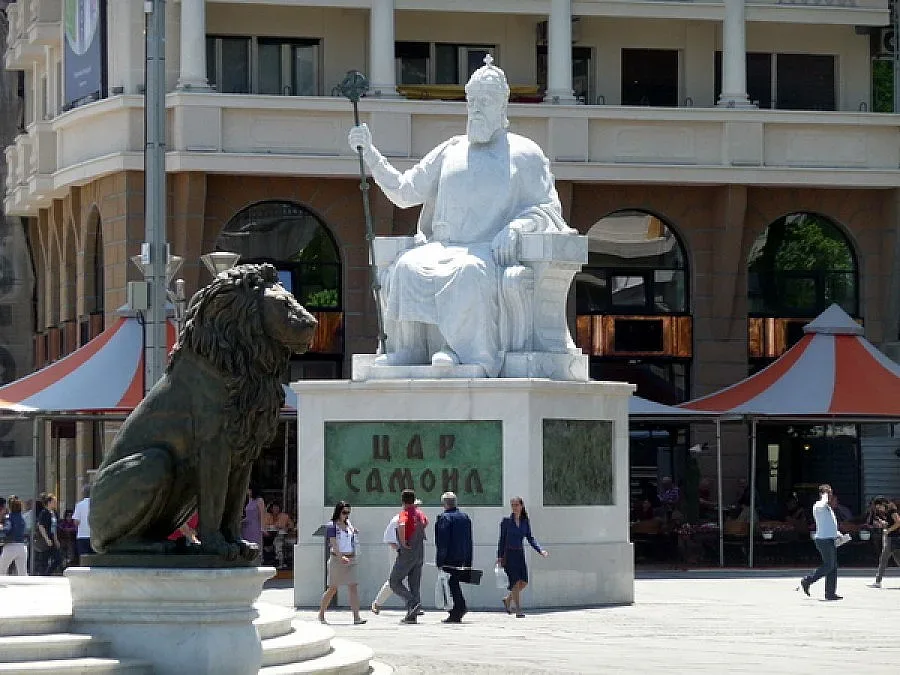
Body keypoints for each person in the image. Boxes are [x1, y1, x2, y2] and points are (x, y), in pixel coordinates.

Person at [348, 55, 577, 376]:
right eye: (472, 102)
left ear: (502, 106)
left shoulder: (525, 153)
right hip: (442, 246)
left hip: (487, 251)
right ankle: (410, 348)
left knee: (468, 272)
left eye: (485, 101)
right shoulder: (450, 149)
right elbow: (404, 192)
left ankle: (466, 353)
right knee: (406, 267)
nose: (476, 109)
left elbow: (548, 208)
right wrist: (370, 155)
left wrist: (516, 228)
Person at [497, 497, 549, 617]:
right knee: (515, 582)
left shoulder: (525, 521)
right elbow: (502, 539)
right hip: (509, 554)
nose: (514, 507)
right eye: (512, 505)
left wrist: (540, 550)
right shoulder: (506, 521)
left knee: (524, 582)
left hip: (520, 554)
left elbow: (530, 538)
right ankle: (518, 609)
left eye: (516, 505)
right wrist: (499, 556)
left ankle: (508, 599)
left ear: (521, 506)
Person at [371, 498, 423, 615]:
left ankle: (414, 607)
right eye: (414, 506)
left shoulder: (416, 519)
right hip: (400, 552)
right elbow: (388, 538)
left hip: (412, 553)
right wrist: (400, 548)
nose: (416, 509)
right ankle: (379, 603)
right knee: (393, 581)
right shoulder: (398, 519)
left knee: (413, 582)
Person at [317, 501, 365, 625]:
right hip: (337, 560)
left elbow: (350, 537)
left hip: (351, 558)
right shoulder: (332, 526)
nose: (346, 515)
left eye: (348, 513)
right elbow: (333, 543)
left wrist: (354, 532)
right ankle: (321, 614)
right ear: (338, 512)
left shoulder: (348, 524)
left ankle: (356, 617)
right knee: (333, 588)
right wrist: (340, 557)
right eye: (344, 512)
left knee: (353, 586)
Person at [390, 489, 428, 624]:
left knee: (394, 582)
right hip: (419, 552)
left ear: (403, 501)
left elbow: (401, 525)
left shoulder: (404, 513)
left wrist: (403, 542)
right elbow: (425, 522)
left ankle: (412, 603)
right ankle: (412, 616)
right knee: (414, 584)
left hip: (408, 552)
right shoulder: (419, 513)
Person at [435, 491, 473, 624]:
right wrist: (468, 559)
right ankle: (458, 608)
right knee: (453, 582)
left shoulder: (444, 518)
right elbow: (469, 539)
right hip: (463, 555)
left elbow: (442, 542)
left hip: (449, 557)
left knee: (450, 583)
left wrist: (440, 560)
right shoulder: (465, 517)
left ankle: (458, 609)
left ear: (444, 504)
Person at [800, 484, 843, 600]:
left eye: (831, 493)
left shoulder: (828, 508)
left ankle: (830, 593)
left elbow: (828, 525)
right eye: (828, 493)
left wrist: (838, 535)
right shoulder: (819, 505)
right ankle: (807, 580)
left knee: (833, 566)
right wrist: (825, 494)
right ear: (822, 494)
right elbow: (823, 502)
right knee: (829, 565)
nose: (830, 495)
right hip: (823, 540)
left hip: (830, 539)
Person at [871, 499, 900, 588]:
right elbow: (891, 523)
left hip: (893, 539)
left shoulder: (892, 511)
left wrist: (888, 530)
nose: (879, 509)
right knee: (898, 559)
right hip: (893, 538)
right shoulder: (887, 512)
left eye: (879, 507)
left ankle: (878, 581)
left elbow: (898, 522)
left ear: (883, 504)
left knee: (883, 559)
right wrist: (883, 523)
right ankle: (878, 581)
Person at [262, 501, 295, 570]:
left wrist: (286, 528)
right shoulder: (267, 516)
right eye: (274, 508)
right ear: (271, 509)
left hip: (281, 535)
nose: (276, 509)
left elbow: (291, 526)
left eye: (277, 508)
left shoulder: (284, 516)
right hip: (268, 536)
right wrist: (270, 527)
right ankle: (267, 558)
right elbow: (264, 526)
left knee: (278, 542)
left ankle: (280, 562)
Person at [34, 494, 61, 575]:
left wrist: (56, 539)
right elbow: (41, 526)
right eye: (54, 502)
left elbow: (54, 527)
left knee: (58, 558)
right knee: (44, 559)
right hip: (45, 538)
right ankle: (43, 574)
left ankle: (47, 573)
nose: (55, 503)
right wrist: (46, 539)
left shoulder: (54, 513)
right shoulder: (44, 512)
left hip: (53, 537)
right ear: (49, 502)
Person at [0, 496, 27, 575]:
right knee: (22, 573)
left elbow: (7, 529)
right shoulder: (22, 518)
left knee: (1, 570)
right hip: (22, 547)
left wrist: (1, 527)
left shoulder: (9, 517)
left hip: (10, 546)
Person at [240, 486, 265, 557]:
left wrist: (262, 528)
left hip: (255, 526)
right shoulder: (249, 500)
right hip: (246, 526)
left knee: (255, 543)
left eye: (248, 490)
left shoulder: (259, 500)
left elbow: (262, 514)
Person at [72, 484, 94, 559]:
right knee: (93, 559)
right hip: (93, 536)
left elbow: (76, 522)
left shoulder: (79, 505)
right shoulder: (95, 504)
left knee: (83, 558)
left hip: (82, 536)